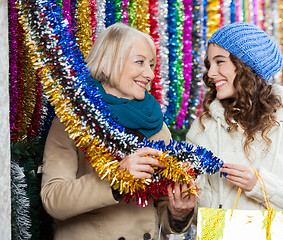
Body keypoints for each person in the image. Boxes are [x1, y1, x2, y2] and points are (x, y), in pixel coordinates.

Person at [41, 22, 195, 240]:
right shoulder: (73, 119)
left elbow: (160, 210)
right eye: (140, 62)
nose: (150, 74)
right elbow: (53, 199)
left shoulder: (158, 126)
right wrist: (116, 180)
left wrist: (177, 213)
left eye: (151, 64)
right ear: (107, 64)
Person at [186, 22, 283, 226]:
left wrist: (260, 186)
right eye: (209, 64)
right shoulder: (202, 130)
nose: (210, 73)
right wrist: (181, 212)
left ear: (246, 65)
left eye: (219, 62)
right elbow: (196, 214)